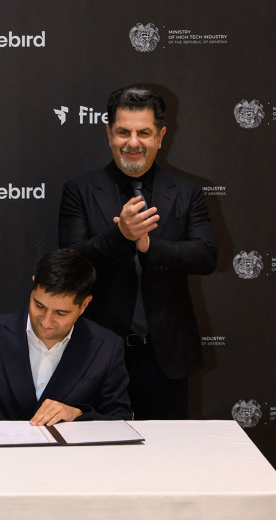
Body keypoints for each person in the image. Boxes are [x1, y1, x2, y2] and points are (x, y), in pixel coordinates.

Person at [59, 85, 216, 419]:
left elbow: (206, 255)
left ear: (160, 136)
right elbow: (71, 261)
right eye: (123, 132)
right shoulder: (80, 190)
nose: (132, 143)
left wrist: (148, 245)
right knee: (100, 448)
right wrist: (121, 236)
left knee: (167, 450)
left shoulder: (188, 192)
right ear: (109, 134)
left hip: (166, 359)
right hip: (97, 355)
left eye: (143, 133)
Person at [0, 249, 132, 426]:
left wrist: (76, 415)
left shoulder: (107, 347)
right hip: (6, 447)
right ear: (33, 284)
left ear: (84, 305)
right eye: (39, 306)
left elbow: (120, 419)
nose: (46, 321)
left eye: (60, 313)